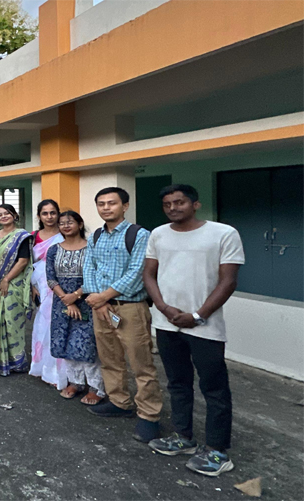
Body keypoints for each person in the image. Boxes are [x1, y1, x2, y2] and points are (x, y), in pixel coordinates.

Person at [143, 184, 244, 476]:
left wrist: (198, 315)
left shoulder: (223, 233)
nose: (173, 208)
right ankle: (183, 437)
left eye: (179, 202)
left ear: (195, 204)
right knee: (178, 383)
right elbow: (149, 274)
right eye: (167, 204)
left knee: (214, 388)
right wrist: (163, 308)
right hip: (167, 324)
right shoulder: (158, 234)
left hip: (205, 327)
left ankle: (217, 451)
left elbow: (228, 281)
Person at [82, 187, 162, 443]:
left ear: (125, 206)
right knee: (109, 358)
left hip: (130, 307)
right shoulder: (96, 236)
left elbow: (138, 272)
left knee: (141, 364)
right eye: (101, 204)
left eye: (112, 203)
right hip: (101, 308)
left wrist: (103, 297)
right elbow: (89, 267)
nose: (106, 208)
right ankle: (119, 402)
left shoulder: (139, 235)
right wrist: (98, 301)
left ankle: (149, 415)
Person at [47, 211, 104, 406]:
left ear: (80, 224)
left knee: (87, 344)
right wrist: (67, 301)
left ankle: (96, 387)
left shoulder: (91, 248)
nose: (65, 225)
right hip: (61, 302)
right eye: (62, 223)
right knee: (65, 341)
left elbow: (95, 276)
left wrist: (76, 296)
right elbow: (51, 278)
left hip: (87, 301)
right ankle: (76, 382)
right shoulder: (54, 250)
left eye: (70, 222)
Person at [0, 204, 33, 376]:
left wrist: (6, 279)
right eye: (0, 214)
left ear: (14, 215)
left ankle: (16, 361)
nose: (4, 216)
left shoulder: (22, 236)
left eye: (7, 213)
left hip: (13, 283)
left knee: (12, 322)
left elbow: (23, 261)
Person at [29, 199, 68, 387]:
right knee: (43, 326)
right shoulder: (33, 237)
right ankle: (42, 367)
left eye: (53, 213)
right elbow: (28, 265)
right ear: (39, 216)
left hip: (63, 286)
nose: (49, 217)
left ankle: (60, 373)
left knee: (61, 326)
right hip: (41, 288)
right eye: (45, 213)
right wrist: (32, 287)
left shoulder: (65, 233)